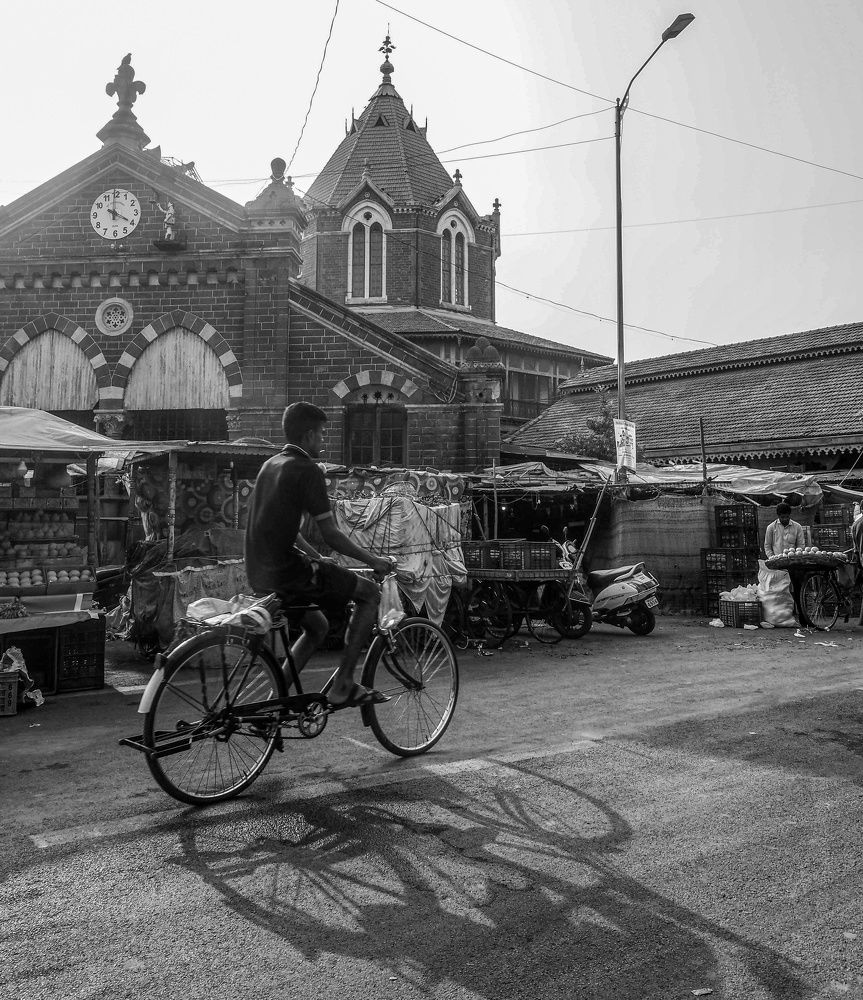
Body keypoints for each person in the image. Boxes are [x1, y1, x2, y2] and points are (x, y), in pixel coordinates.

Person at [244, 402, 393, 706]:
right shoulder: (307, 470)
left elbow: (289, 530)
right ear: (310, 434)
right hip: (288, 572)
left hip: (259, 570)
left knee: (318, 626)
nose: (323, 441)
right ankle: (344, 684)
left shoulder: (270, 465)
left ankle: (277, 700)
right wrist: (374, 561)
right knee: (369, 595)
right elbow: (333, 534)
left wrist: (316, 557)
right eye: (322, 434)